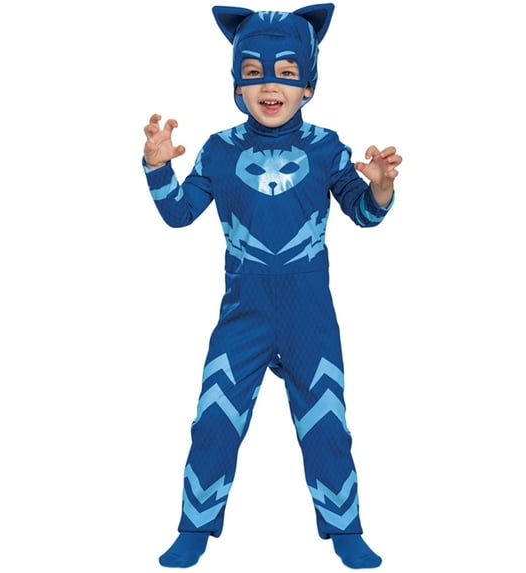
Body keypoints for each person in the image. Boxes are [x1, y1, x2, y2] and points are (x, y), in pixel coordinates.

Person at [142, 3, 402, 569]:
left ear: (308, 84)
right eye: (254, 72)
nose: (269, 86)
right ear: (237, 83)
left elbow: (363, 215)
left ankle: (345, 529)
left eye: (286, 73)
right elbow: (180, 215)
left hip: (310, 313)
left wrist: (380, 189)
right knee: (215, 418)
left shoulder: (327, 147)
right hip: (245, 312)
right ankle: (195, 526)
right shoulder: (219, 150)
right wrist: (158, 169)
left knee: (326, 422)